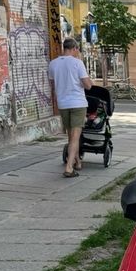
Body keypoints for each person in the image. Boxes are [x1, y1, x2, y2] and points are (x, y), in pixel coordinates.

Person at [48, 37, 92, 177]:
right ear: (74, 49)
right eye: (77, 50)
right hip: (78, 103)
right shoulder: (77, 63)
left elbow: (52, 83)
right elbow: (88, 85)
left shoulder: (53, 64)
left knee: (70, 135)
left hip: (63, 103)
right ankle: (68, 167)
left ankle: (77, 161)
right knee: (75, 136)